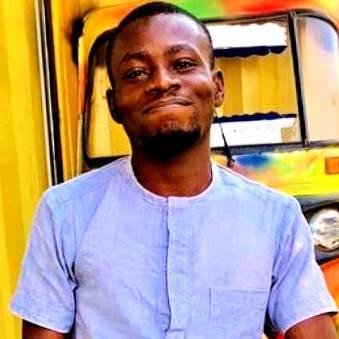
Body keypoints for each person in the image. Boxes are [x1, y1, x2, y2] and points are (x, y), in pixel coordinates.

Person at [11, 2, 337, 338]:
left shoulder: (276, 218)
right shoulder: (65, 214)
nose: (162, 81)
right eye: (136, 72)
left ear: (218, 88)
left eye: (182, 64)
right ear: (113, 105)